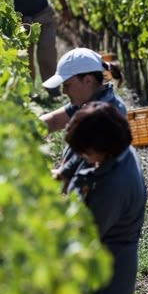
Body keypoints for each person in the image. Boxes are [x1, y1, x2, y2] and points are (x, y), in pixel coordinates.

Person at [64, 102, 146, 294]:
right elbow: (79, 159)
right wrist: (64, 173)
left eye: (85, 152)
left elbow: (85, 234)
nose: (82, 157)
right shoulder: (120, 152)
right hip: (107, 271)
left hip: (106, 280)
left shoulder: (114, 185)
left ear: (100, 147)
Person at [41, 47, 126, 188]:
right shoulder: (88, 100)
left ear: (87, 80)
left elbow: (76, 175)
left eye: (67, 85)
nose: (63, 91)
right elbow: (54, 121)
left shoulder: (105, 116)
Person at [2, 0, 70, 91]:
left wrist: (64, 7)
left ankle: (52, 89)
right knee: (25, 57)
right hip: (23, 21)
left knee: (47, 52)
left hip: (43, 16)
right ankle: (28, 90)